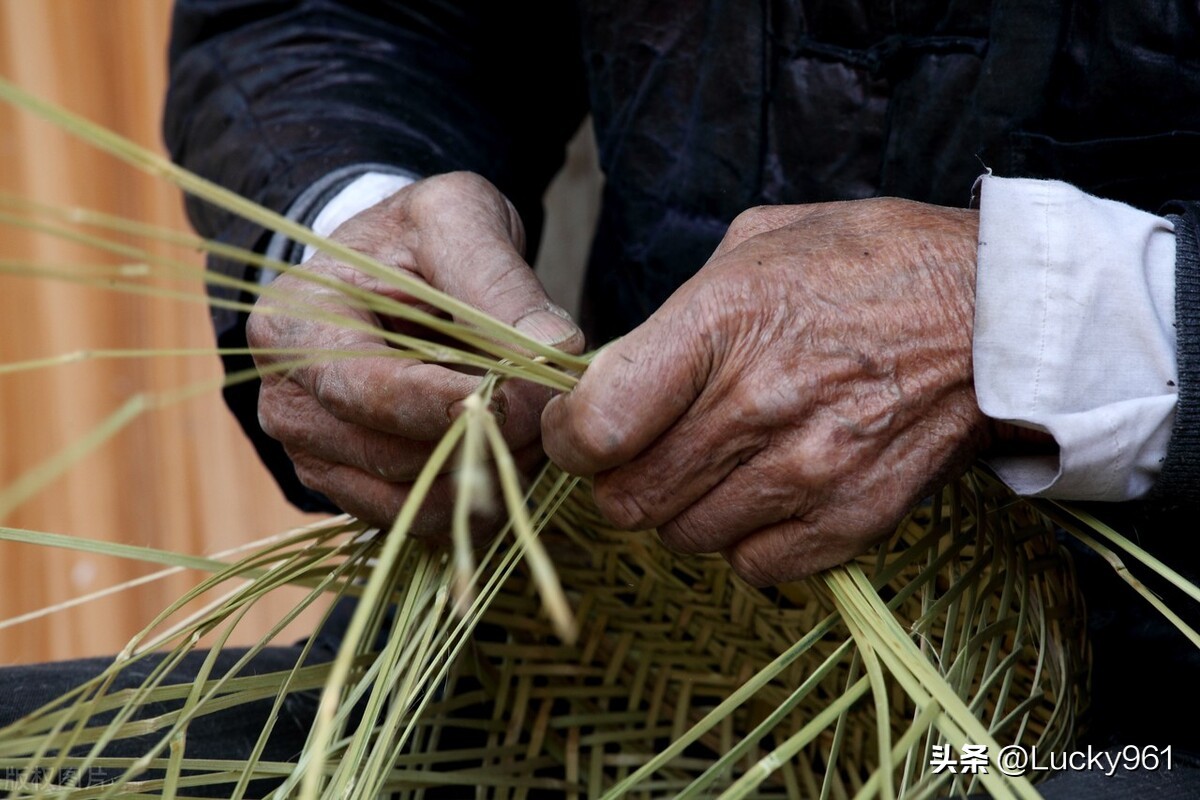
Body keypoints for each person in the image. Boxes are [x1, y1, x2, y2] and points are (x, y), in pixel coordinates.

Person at [160, 0, 1200, 795]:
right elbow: (337, 16)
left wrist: (1052, 319)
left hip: (1147, 708)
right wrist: (355, 229)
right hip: (589, 643)